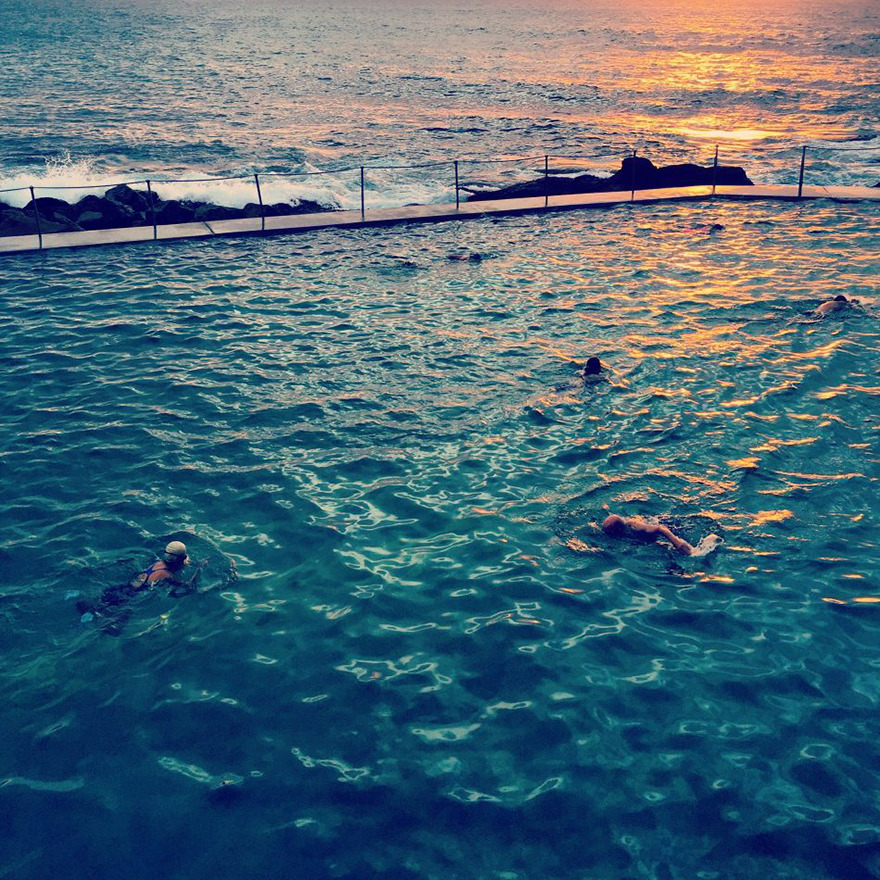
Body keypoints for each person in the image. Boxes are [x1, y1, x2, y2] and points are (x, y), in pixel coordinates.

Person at [602, 514, 721, 557]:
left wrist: (677, 543)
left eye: (609, 531)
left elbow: (660, 529)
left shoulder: (637, 527)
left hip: (668, 526)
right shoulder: (623, 532)